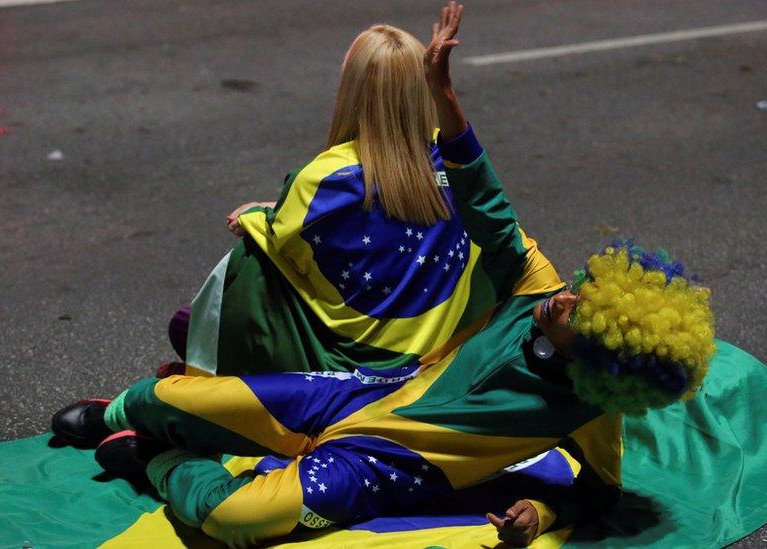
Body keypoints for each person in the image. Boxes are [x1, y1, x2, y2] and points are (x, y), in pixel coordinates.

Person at [52, 3, 715, 546]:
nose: (563, 296)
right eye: (580, 287)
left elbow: (600, 489)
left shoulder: (592, 407)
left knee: (236, 520)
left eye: (575, 310)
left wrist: (540, 515)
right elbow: (484, 198)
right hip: (355, 389)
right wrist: (443, 90)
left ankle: (155, 460)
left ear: (597, 361)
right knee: (176, 399)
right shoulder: (536, 285)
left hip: (375, 466)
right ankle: (119, 411)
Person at [163, 13, 562, 378]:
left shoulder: (324, 179)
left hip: (354, 365)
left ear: (351, 87)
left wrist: (255, 215)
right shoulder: (452, 163)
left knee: (206, 306)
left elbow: (283, 246)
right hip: (440, 354)